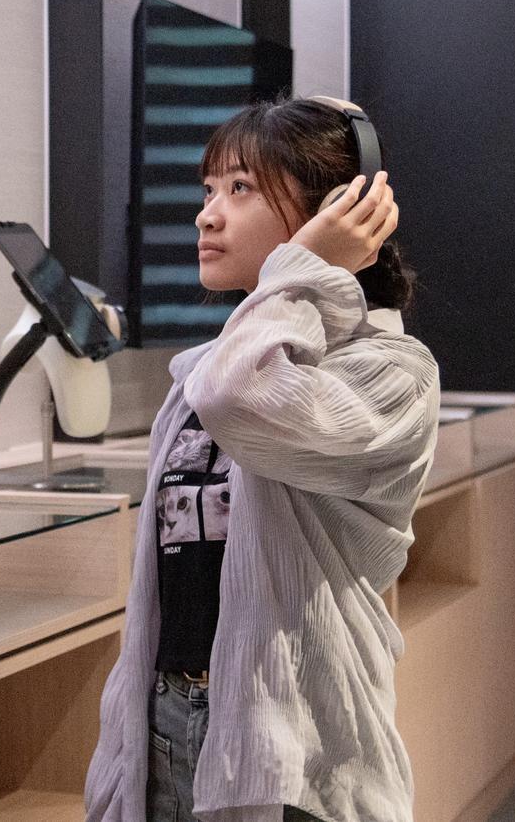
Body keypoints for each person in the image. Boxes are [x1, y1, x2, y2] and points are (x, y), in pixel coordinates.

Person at [84, 96, 440, 822]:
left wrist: (305, 264)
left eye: (239, 189)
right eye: (207, 190)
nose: (206, 215)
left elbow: (241, 395)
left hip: (291, 744)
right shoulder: (207, 370)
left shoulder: (387, 372)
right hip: (165, 721)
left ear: (336, 210)